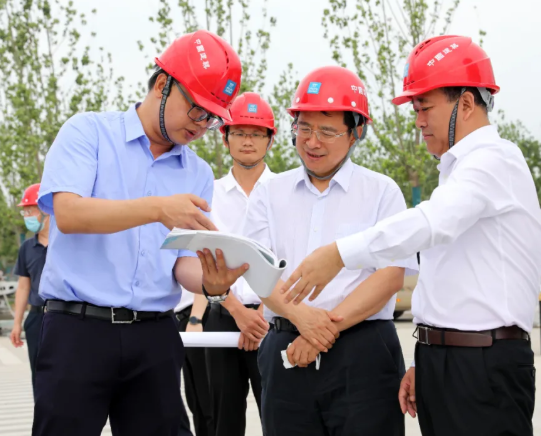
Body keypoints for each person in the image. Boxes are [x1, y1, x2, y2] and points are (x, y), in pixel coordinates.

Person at [280, 35, 541, 436]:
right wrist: (430, 357)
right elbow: (451, 277)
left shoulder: (494, 161)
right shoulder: (455, 171)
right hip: (452, 360)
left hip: (484, 365)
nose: (419, 120)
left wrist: (339, 253)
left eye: (425, 107)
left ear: (467, 103)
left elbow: (430, 223)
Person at [32, 29, 249, 436]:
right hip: (78, 331)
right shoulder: (88, 133)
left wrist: (212, 284)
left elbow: (181, 264)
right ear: (163, 85)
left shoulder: (197, 173)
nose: (202, 125)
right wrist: (156, 209)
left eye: (213, 116)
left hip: (153, 335)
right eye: (197, 109)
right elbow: (70, 213)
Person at [241, 65, 418, 436]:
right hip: (287, 350)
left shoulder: (382, 193)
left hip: (363, 353)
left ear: (356, 132)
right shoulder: (270, 193)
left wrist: (322, 330)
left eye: (326, 130)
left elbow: (390, 276)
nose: (312, 141)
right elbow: (255, 267)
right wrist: (300, 320)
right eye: (304, 128)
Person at [204, 92, 276, 436]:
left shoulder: (287, 191)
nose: (248, 141)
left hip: (273, 320)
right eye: (239, 132)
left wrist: (260, 315)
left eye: (256, 133)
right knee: (223, 420)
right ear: (225, 136)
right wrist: (237, 311)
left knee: (278, 416)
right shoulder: (209, 194)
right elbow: (202, 258)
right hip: (221, 315)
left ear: (270, 140)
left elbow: (293, 258)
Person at [10, 183, 50, 392]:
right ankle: (41, 414)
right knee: (38, 372)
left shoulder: (66, 243)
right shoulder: (26, 248)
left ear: (45, 209)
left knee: (67, 371)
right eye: (24, 211)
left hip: (64, 317)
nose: (26, 216)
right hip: (36, 318)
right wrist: (17, 323)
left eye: (29, 210)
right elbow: (23, 287)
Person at [175, 289, 213, 436]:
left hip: (198, 317)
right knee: (195, 402)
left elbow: (203, 277)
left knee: (207, 401)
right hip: (182, 320)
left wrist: (195, 319)